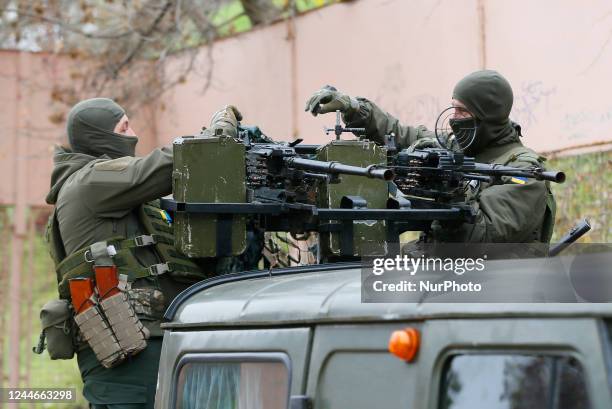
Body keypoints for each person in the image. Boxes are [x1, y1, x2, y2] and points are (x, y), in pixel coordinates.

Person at [44, 98, 244, 408]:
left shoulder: (119, 196)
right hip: (132, 357)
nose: (133, 134)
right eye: (124, 127)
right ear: (100, 137)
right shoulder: (90, 181)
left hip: (157, 344)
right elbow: (163, 166)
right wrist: (217, 134)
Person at [305, 70, 556, 243]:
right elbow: (399, 134)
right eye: (453, 108)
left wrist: (450, 192)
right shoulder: (456, 147)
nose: (453, 118)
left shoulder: (524, 172)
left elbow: (481, 235)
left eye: (462, 111)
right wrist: (353, 107)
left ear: (486, 115)